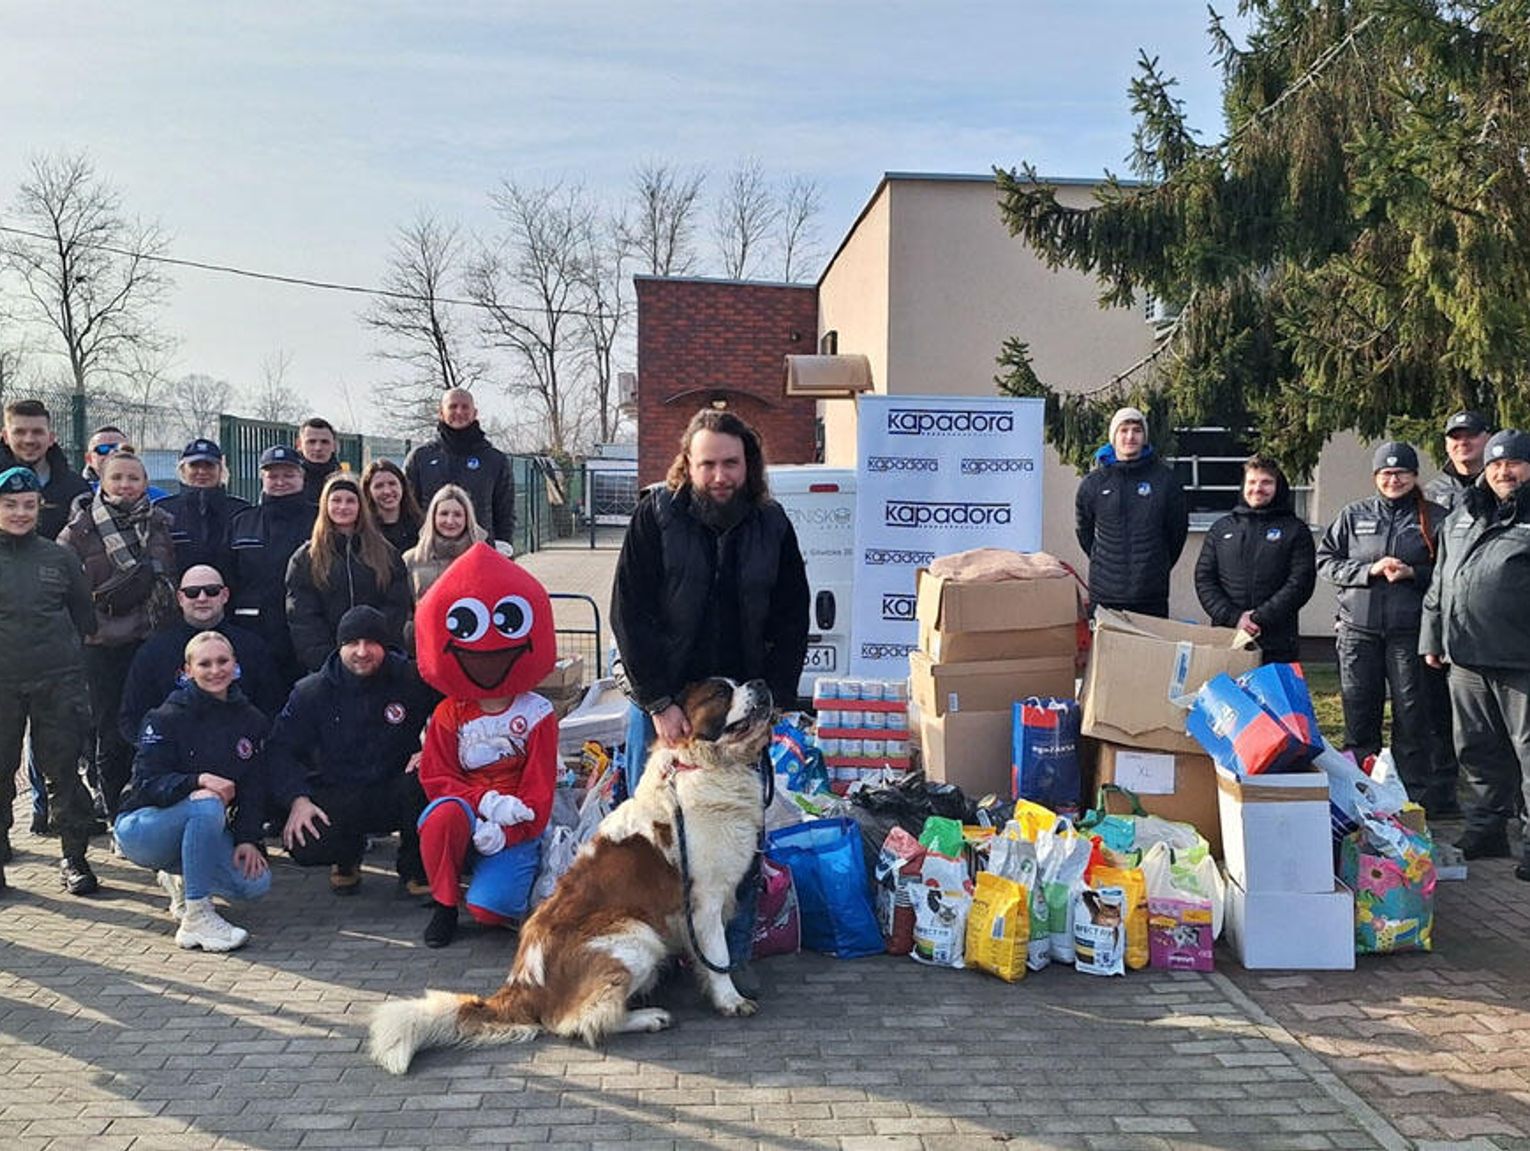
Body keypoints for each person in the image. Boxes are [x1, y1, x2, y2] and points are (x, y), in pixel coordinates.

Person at [610, 408, 809, 990]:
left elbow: (792, 616)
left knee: (737, 832)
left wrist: (773, 702)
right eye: (707, 464)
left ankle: (727, 958)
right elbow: (629, 613)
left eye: (731, 463)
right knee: (654, 838)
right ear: (687, 464)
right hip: (666, 702)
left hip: (739, 710)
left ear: (749, 464)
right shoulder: (656, 515)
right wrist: (657, 700)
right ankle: (652, 949)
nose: (720, 476)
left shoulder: (772, 523)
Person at [412, 544, 559, 947]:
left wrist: (509, 831)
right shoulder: (449, 712)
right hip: (468, 811)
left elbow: (540, 788)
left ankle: (504, 872)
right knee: (441, 816)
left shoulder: (538, 713)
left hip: (517, 821)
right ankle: (444, 903)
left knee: (491, 910)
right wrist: (485, 803)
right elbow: (437, 778)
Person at [1317, 441, 1455, 813]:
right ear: (1376, 477)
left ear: (1414, 475)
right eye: (1386, 473)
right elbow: (1326, 561)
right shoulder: (1354, 515)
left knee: (1412, 716)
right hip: (1358, 632)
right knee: (1360, 714)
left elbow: (1449, 573)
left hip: (1409, 634)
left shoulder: (1436, 518)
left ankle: (1410, 803)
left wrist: (1413, 573)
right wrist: (1368, 570)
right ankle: (1358, 798)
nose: (1394, 480)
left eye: (1401, 473)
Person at [114, 631, 272, 951]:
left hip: (201, 824)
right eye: (204, 664)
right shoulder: (164, 717)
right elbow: (145, 784)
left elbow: (254, 788)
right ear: (187, 671)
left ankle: (181, 878)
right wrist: (196, 781)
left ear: (235, 666)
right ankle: (197, 916)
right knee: (207, 803)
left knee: (255, 883)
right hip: (143, 827)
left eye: (222, 661)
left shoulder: (251, 720)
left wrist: (247, 838)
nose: (215, 670)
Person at [268, 606, 436, 897]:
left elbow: (454, 711)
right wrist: (297, 799)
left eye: (371, 642)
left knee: (425, 780)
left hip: (396, 787)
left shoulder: (412, 678)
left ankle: (415, 868)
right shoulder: (311, 692)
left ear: (385, 645)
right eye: (352, 643)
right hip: (340, 790)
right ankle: (345, 859)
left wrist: (434, 749)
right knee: (307, 843)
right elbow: (280, 749)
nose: (362, 651)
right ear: (339, 646)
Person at [1421, 429, 1530, 875]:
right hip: (1465, 655)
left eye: (1514, 463)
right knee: (1476, 748)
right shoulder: (1463, 514)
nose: (1504, 472)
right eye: (1496, 465)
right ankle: (1487, 829)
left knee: (1528, 751)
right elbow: (1440, 581)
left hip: (1520, 657)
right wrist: (1432, 637)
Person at [58, 450, 178, 820]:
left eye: (133, 478)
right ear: (102, 482)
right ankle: (114, 812)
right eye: (117, 478)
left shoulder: (160, 524)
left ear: (145, 483)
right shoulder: (79, 531)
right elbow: (66, 594)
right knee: (110, 733)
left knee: (153, 727)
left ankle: (148, 804)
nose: (125, 485)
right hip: (103, 646)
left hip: (151, 641)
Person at [0, 466, 100, 896]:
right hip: (3, 683)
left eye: (28, 505)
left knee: (63, 772)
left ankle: (74, 858)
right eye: (9, 505)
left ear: (40, 508)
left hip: (57, 681)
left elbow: (84, 616)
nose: (19, 513)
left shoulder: (58, 557)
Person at [119, 564, 284, 744]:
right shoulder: (153, 652)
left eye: (212, 591)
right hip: (175, 754)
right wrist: (157, 750)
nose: (202, 598)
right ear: (180, 598)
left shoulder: (253, 648)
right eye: (192, 593)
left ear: (225, 595)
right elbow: (132, 718)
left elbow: (272, 710)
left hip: (240, 752)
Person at [1194, 455, 1316, 664]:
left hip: (1278, 642)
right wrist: (1234, 618)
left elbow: (1300, 583)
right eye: (1252, 482)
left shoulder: (1295, 530)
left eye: (1266, 482)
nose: (1258, 488)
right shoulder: (1221, 529)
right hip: (1228, 638)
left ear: (1278, 487)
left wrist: (1258, 618)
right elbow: (1204, 578)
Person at [285, 473, 410, 672]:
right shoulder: (305, 559)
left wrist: (373, 648)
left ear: (361, 505)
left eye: (350, 501)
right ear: (325, 505)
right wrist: (329, 661)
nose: (343, 507)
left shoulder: (386, 553)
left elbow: (396, 605)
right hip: (327, 667)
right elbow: (303, 616)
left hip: (377, 660)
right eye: (336, 500)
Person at [1074, 406, 1189, 618]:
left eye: (1137, 430)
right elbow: (1085, 532)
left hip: (1151, 596)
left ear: (1144, 436)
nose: (1130, 436)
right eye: (1123, 430)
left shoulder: (1166, 480)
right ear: (1113, 437)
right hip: (1105, 595)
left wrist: (1157, 565)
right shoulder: (1093, 484)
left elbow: (1177, 533)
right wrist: (1107, 563)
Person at [226, 445, 319, 688]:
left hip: (306, 634)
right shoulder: (242, 522)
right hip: (254, 634)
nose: (280, 482)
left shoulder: (319, 522)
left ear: (302, 477)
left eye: (289, 475)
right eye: (273, 475)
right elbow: (229, 579)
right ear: (262, 478)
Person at [404, 389, 516, 548]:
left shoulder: (495, 460)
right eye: (453, 406)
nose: (459, 412)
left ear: (475, 413)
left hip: (479, 552)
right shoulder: (420, 458)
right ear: (441, 412)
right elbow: (408, 509)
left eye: (465, 407)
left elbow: (505, 513)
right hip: (431, 554)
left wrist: (504, 550)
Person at [154, 438, 250, 577]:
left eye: (209, 465)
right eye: (194, 465)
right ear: (183, 470)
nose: (202, 471)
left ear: (220, 470)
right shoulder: (162, 510)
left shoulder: (240, 510)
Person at [0, 398, 91, 540]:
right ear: (5, 436)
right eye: (19, 432)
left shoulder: (75, 488)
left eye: (37, 432)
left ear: (51, 438)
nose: (29, 440)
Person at [1424, 410, 1492, 515]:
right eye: (1456, 437)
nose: (1463, 442)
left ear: (1488, 438)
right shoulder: (1432, 492)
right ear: (1446, 445)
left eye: (1471, 435)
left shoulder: (1500, 484)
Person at [83, 425, 168, 500]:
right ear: (89, 458)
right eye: (103, 449)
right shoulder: (80, 496)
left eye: (119, 448)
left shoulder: (158, 498)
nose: (112, 453)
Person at [362, 459, 423, 555]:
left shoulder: (422, 528)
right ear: (368, 491)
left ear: (402, 485)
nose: (387, 491)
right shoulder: (363, 531)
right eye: (379, 486)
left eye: (392, 483)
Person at [297, 417, 342, 502]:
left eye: (324, 442)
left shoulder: (344, 481)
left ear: (334, 446)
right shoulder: (288, 482)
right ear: (299, 445)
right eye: (311, 442)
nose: (318, 448)